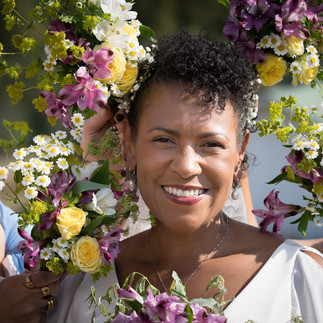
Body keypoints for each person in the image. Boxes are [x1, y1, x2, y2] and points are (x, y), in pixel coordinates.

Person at [47, 31, 323, 323]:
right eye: (164, 140)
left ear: (241, 150)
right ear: (128, 140)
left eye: (211, 144)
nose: (187, 166)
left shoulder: (298, 279)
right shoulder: (80, 284)